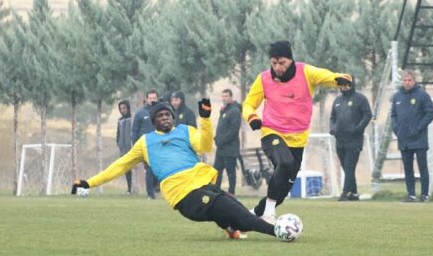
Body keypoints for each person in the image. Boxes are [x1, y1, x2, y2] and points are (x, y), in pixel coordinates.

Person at [72, 100, 279, 240]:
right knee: (230, 207)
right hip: (183, 194)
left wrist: (205, 120)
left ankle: (233, 227)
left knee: (233, 206)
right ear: (154, 121)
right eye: (160, 115)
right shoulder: (145, 142)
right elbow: (120, 165)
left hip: (202, 184)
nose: (165, 118)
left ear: (173, 117)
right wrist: (89, 182)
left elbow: (206, 146)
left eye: (167, 114)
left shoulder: (185, 131)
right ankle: (276, 230)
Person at [243, 40, 351, 223]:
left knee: (282, 193)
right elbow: (248, 104)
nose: (278, 67)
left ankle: (248, 217)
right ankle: (269, 214)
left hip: (297, 141)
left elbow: (326, 76)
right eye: (274, 63)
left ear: (290, 60)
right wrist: (252, 116)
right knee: (284, 162)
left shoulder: (305, 72)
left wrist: (339, 78)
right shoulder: (263, 79)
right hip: (272, 133)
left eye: (282, 63)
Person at [390, 69, 433, 202]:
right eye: (405, 80)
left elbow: (430, 113)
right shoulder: (397, 96)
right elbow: (393, 115)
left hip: (419, 138)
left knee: (422, 167)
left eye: (409, 80)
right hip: (404, 139)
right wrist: (396, 129)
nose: (407, 83)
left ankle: (425, 195)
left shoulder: (422, 95)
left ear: (414, 81)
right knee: (407, 168)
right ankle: (411, 194)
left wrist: (419, 128)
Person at [329, 76, 372, 201]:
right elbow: (332, 117)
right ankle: (353, 193)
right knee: (345, 166)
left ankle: (345, 192)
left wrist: (358, 129)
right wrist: (333, 128)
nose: (343, 87)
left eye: (346, 84)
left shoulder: (360, 99)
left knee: (349, 166)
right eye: (341, 85)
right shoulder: (337, 100)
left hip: (354, 139)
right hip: (340, 139)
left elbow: (367, 115)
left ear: (351, 84)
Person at [131, 90, 160, 199]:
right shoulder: (140, 113)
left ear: (157, 98)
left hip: (160, 145)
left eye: (154, 98)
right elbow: (135, 130)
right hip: (146, 146)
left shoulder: (161, 112)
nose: (152, 100)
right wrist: (135, 145)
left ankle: (155, 188)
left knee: (158, 169)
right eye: (150, 98)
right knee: (150, 169)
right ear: (146, 99)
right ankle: (150, 194)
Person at [213, 89, 241, 195]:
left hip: (230, 148)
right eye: (222, 96)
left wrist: (222, 140)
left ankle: (231, 192)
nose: (223, 98)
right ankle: (215, 191)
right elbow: (221, 128)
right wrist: (216, 138)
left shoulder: (234, 110)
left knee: (230, 172)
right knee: (216, 171)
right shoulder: (224, 110)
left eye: (226, 96)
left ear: (231, 97)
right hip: (221, 148)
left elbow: (234, 129)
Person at [115, 100, 133, 194]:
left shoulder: (132, 118)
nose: (123, 110)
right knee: (127, 169)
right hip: (123, 149)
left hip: (132, 148)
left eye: (124, 108)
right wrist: (118, 143)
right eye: (121, 108)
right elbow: (118, 133)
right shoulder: (120, 120)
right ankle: (129, 188)